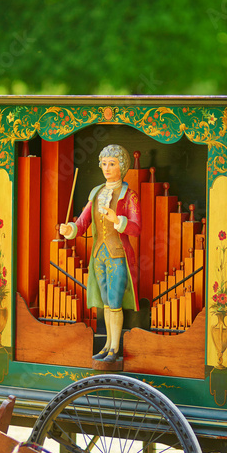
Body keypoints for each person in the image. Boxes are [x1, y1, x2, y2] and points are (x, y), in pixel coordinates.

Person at [59, 145, 141, 364]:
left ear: (121, 167)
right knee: (105, 301)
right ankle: (107, 344)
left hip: (117, 254)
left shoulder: (128, 195)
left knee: (114, 301)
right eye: (104, 164)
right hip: (99, 255)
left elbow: (136, 228)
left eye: (112, 164)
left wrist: (117, 220)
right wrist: (71, 230)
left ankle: (115, 347)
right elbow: (83, 221)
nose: (106, 168)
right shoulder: (96, 193)